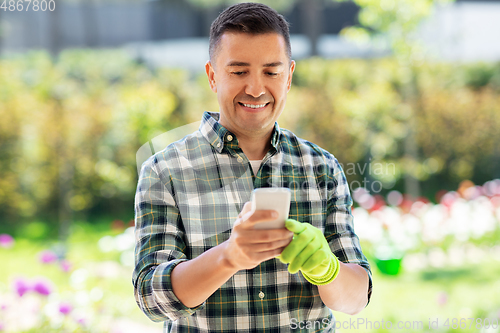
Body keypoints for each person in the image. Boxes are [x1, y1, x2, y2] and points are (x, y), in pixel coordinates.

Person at [133, 2, 372, 332]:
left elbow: (356, 299)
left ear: (288, 77)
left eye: (271, 72)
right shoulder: (165, 171)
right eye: (238, 71)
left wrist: (326, 268)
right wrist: (229, 256)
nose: (256, 89)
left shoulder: (322, 168)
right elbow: (151, 298)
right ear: (213, 76)